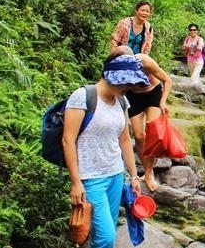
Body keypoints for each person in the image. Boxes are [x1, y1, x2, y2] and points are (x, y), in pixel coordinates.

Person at [62, 53, 145, 248]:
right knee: (106, 237)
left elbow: (124, 139)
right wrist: (75, 182)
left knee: (105, 234)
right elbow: (68, 140)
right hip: (91, 178)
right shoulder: (83, 97)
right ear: (114, 77)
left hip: (115, 175)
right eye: (127, 82)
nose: (129, 87)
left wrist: (133, 176)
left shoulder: (122, 101)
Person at [109, 46, 172, 191]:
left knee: (152, 131)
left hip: (152, 93)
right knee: (139, 135)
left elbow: (167, 80)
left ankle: (149, 172)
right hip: (133, 96)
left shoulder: (145, 62)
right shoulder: (117, 68)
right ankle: (146, 169)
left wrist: (162, 102)